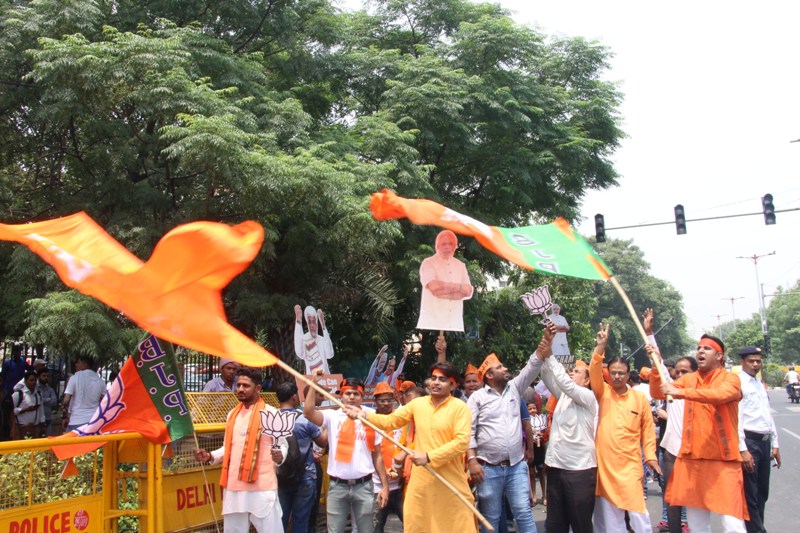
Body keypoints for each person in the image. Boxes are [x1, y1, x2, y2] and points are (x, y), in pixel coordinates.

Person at [345, 361, 476, 533]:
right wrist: (365, 416)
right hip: (421, 482)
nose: (436, 382)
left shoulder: (460, 408)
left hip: (450, 480)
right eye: (434, 378)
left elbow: (461, 443)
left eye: (442, 380)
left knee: (456, 525)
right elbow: (391, 421)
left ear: (453, 385)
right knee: (418, 524)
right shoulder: (417, 404)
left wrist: (428, 457)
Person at [652, 334, 748, 533]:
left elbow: (720, 395)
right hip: (693, 460)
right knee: (697, 525)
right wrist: (655, 367)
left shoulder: (731, 379)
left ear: (720, 356)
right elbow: (658, 392)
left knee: (732, 524)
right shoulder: (689, 379)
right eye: (699, 348)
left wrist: (682, 393)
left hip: (723, 461)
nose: (700, 351)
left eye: (707, 348)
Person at [466, 323, 555, 533]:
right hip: (488, 469)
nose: (505, 369)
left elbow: (533, 364)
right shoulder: (477, 398)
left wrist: (547, 341)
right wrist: (472, 461)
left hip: (516, 466)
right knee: (491, 518)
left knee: (523, 513)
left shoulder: (515, 389)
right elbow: (468, 432)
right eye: (500, 367)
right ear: (489, 375)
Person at [194, 367, 287, 532]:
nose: (240, 389)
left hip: (262, 486)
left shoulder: (272, 414)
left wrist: (280, 455)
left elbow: (283, 446)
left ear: (258, 388)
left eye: (246, 386)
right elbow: (229, 448)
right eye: (238, 385)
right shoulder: (232, 415)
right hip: (234, 486)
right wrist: (210, 456)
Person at [590, 323, 660, 533]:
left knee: (638, 513)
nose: (617, 376)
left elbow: (648, 430)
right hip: (605, 466)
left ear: (628, 375)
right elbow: (594, 370)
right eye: (613, 373)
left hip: (630, 464)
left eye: (621, 373)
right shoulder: (603, 392)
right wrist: (600, 347)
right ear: (608, 374)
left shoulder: (639, 399)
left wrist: (651, 457)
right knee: (610, 519)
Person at [304, 374, 386, 533]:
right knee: (334, 530)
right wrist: (313, 384)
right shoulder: (332, 416)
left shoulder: (371, 417)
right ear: (341, 396)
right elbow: (308, 413)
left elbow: (377, 455)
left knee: (366, 530)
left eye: (356, 394)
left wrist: (384, 486)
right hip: (337, 486)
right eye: (348, 393)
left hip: (364, 486)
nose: (352, 397)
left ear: (361, 396)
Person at [538, 339, 598, 533]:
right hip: (556, 468)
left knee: (581, 524)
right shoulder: (562, 396)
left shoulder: (587, 397)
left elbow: (567, 385)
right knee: (556, 524)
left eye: (577, 371)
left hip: (579, 471)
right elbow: (547, 377)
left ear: (587, 380)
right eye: (572, 370)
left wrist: (550, 356)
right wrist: (544, 352)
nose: (572, 372)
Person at [737, 346, 781, 533]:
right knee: (751, 494)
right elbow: (736, 418)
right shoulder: (738, 383)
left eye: (758, 361)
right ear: (742, 362)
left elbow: (767, 415)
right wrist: (742, 449)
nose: (755, 364)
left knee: (762, 493)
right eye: (751, 361)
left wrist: (775, 444)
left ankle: (756, 528)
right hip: (750, 442)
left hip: (764, 442)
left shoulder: (758, 383)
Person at [276, 382, 327, 533]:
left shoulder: (271, 419)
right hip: (305, 475)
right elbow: (322, 441)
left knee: (280, 518)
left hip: (280, 476)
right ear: (294, 397)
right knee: (301, 518)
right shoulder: (305, 420)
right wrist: (326, 427)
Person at [417, 230, 473, 332]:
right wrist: (459, 289)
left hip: (454, 323)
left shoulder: (460, 265)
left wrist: (443, 291)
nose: (447, 247)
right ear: (437, 246)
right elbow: (434, 287)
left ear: (455, 246)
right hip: (431, 323)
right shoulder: (428, 263)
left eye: (451, 244)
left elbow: (468, 291)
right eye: (444, 244)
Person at [371, 382, 404, 532]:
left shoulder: (401, 419)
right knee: (376, 527)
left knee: (412, 524)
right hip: (377, 485)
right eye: (382, 400)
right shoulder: (368, 420)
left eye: (389, 400)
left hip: (401, 484)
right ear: (375, 402)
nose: (385, 404)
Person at [61, 356, 106, 432]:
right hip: (94, 421)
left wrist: (64, 417)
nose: (76, 365)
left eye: (78, 362)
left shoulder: (74, 378)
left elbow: (66, 400)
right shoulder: (100, 381)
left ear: (85, 364)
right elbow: (104, 401)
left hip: (76, 421)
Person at [1, 343, 32, 440]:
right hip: (8, 391)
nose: (17, 353)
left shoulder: (23, 362)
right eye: (16, 351)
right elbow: (3, 376)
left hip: (19, 391)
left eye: (19, 351)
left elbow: (30, 370)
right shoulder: (8, 363)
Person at [294, 305, 334, 375]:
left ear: (317, 323)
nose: (312, 325)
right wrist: (298, 321)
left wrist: (323, 324)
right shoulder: (305, 339)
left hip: (327, 380)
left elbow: (330, 354)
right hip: (312, 381)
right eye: (309, 322)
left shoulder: (322, 340)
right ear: (307, 324)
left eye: (314, 321)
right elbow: (299, 352)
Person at [11, 371, 45, 439]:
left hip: (34, 428)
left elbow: (41, 411)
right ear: (26, 381)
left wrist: (43, 426)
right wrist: (26, 409)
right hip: (21, 427)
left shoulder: (38, 394)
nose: (33, 382)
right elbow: (11, 411)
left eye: (35, 380)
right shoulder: (18, 394)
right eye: (31, 380)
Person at [36, 369, 58, 436]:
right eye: (44, 376)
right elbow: (37, 401)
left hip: (48, 418)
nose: (46, 378)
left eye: (47, 376)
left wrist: (43, 400)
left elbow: (54, 402)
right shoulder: (35, 388)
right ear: (39, 377)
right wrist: (48, 399)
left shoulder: (50, 389)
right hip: (37, 420)